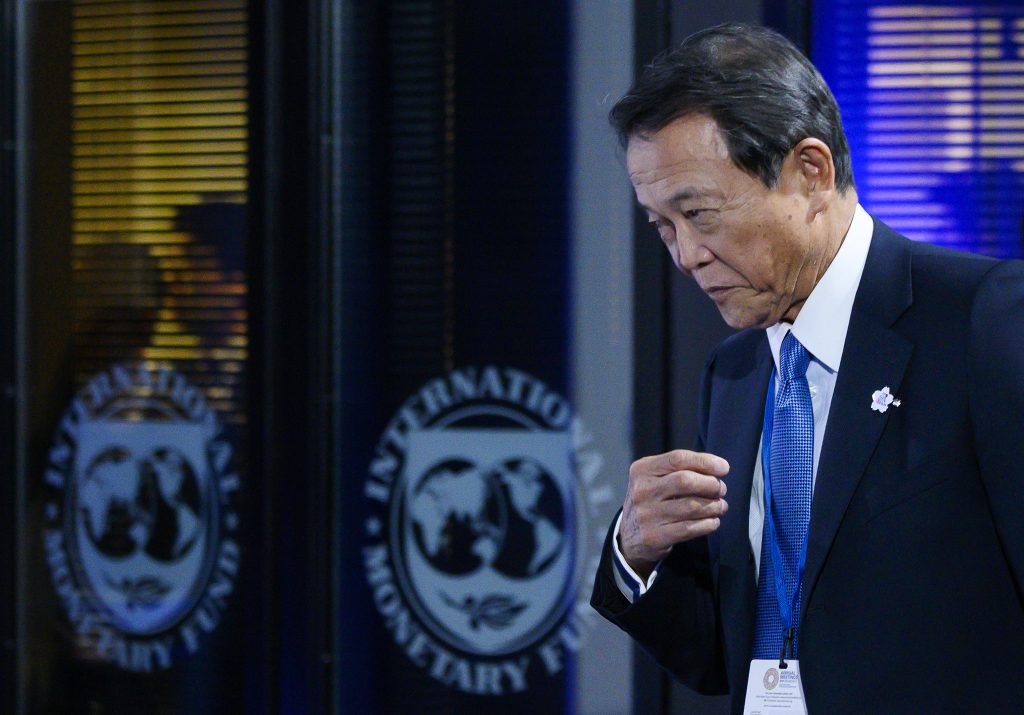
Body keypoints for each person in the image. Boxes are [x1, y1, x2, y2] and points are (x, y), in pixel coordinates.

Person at [590, 23, 1024, 713]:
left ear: (811, 173)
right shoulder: (732, 375)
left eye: (699, 213)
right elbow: (721, 653)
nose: (685, 254)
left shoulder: (983, 318)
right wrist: (634, 553)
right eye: (663, 226)